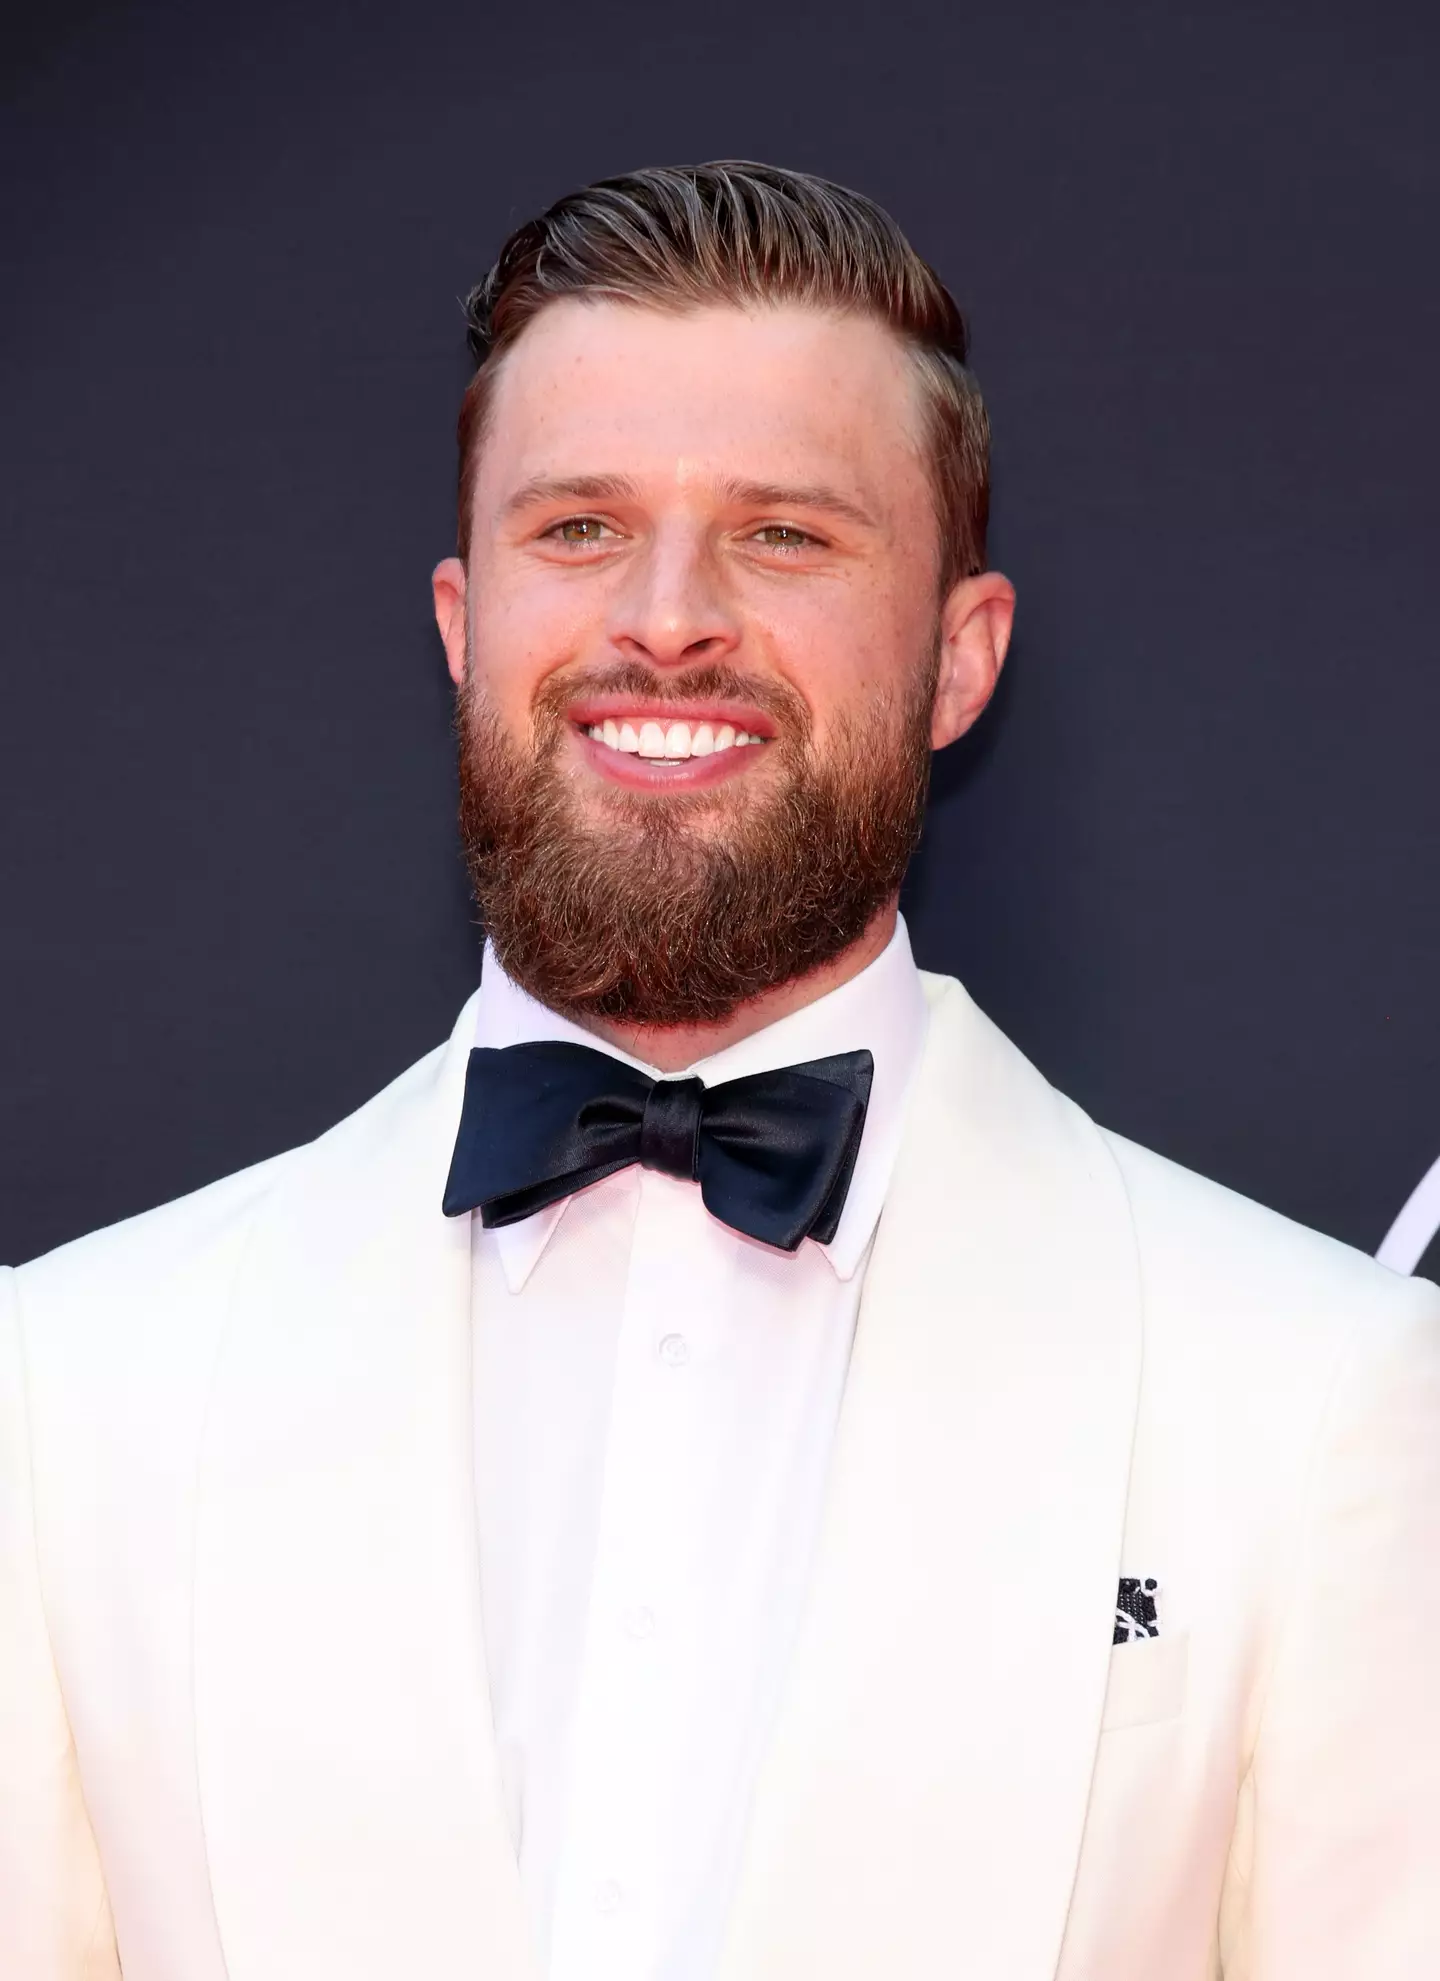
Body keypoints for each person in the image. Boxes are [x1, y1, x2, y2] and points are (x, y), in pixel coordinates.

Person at [2, 161, 1437, 1981]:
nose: (665, 617)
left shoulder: (1309, 1397)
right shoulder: (72, 1393)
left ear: (959, 658)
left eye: (785, 534)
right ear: (462, 626)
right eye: (580, 527)